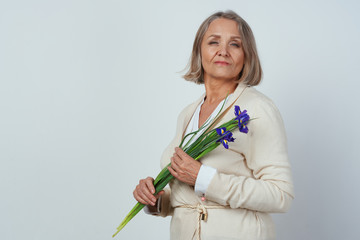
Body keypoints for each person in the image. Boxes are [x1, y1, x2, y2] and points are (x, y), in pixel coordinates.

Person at [133, 10, 294, 240]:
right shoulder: (187, 114)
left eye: (235, 44)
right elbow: (185, 197)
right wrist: (155, 199)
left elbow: (281, 195)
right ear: (199, 51)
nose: (223, 51)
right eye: (214, 41)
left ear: (247, 56)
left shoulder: (258, 109)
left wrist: (204, 178)